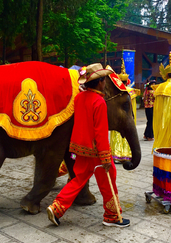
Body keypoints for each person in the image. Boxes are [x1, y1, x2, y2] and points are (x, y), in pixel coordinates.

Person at [47, 63, 130, 227]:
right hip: (96, 152)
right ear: (100, 82)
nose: (105, 82)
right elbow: (100, 132)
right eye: (104, 79)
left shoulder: (79, 98)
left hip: (79, 148)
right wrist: (106, 157)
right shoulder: (99, 102)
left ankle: (56, 208)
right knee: (108, 180)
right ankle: (112, 216)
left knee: (78, 179)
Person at [110, 59, 140, 163]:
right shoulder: (131, 92)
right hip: (127, 118)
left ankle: (116, 153)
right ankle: (126, 154)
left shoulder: (116, 93)